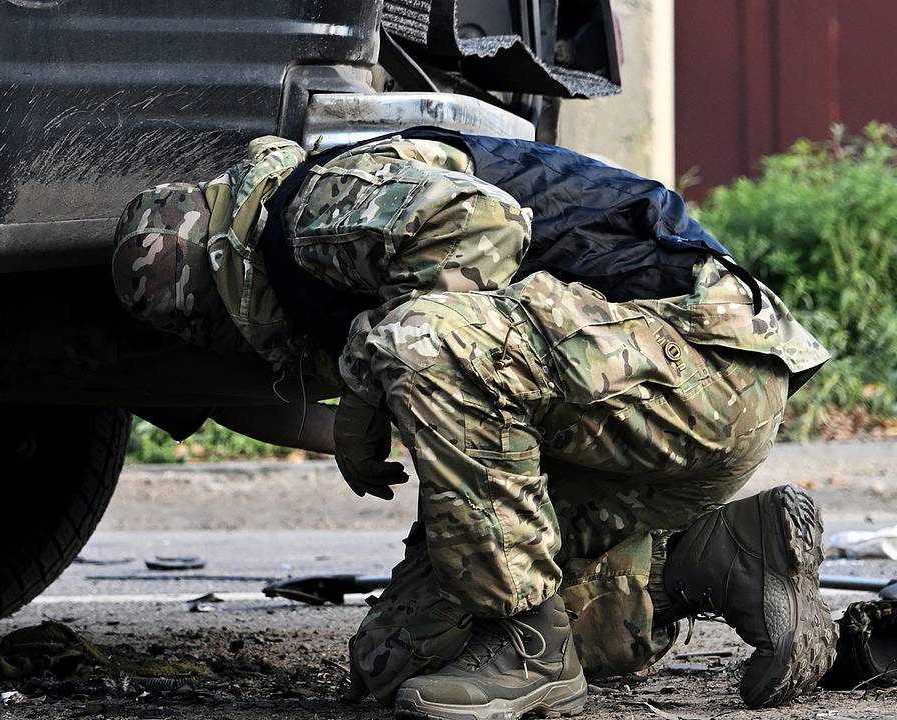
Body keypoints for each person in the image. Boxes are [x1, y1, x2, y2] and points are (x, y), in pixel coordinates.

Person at [111, 129, 836, 719]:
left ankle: (527, 647)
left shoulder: (308, 209)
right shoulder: (304, 267)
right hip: (634, 400)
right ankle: (717, 557)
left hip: (704, 366)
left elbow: (482, 226)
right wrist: (356, 405)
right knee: (395, 660)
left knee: (417, 343)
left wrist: (365, 390)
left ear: (214, 268)